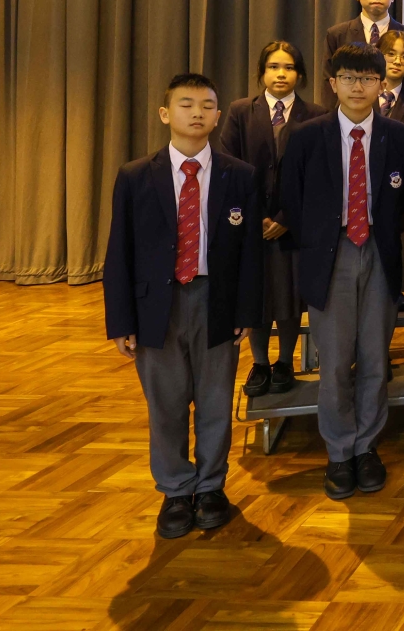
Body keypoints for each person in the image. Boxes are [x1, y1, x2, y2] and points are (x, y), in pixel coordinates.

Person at [104, 73, 261, 539]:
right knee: (167, 405)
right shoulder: (136, 176)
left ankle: (211, 486)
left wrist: (246, 312)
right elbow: (119, 252)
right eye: (186, 104)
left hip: (217, 301)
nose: (197, 113)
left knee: (215, 402)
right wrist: (121, 320)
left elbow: (251, 252)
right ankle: (175, 490)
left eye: (207, 105)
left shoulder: (240, 175)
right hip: (158, 306)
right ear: (164, 113)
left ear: (218, 116)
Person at [279, 45, 404, 500]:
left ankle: (366, 448)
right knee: (336, 362)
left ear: (382, 85)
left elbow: (403, 204)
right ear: (332, 83)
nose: (358, 86)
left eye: (368, 78)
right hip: (331, 254)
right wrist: (321, 240)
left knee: (376, 359)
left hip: (379, 252)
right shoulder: (305, 136)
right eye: (349, 78)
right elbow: (291, 199)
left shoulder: (400, 137)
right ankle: (339, 452)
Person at [219, 41, 326, 398]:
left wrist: (287, 217)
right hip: (252, 225)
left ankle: (284, 363)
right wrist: (257, 218)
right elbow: (228, 166)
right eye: (274, 67)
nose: (281, 74)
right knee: (259, 295)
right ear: (262, 72)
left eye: (289, 67)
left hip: (294, 225)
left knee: (289, 297)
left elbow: (319, 175)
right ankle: (261, 363)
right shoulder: (240, 111)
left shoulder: (315, 114)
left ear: (300, 74)